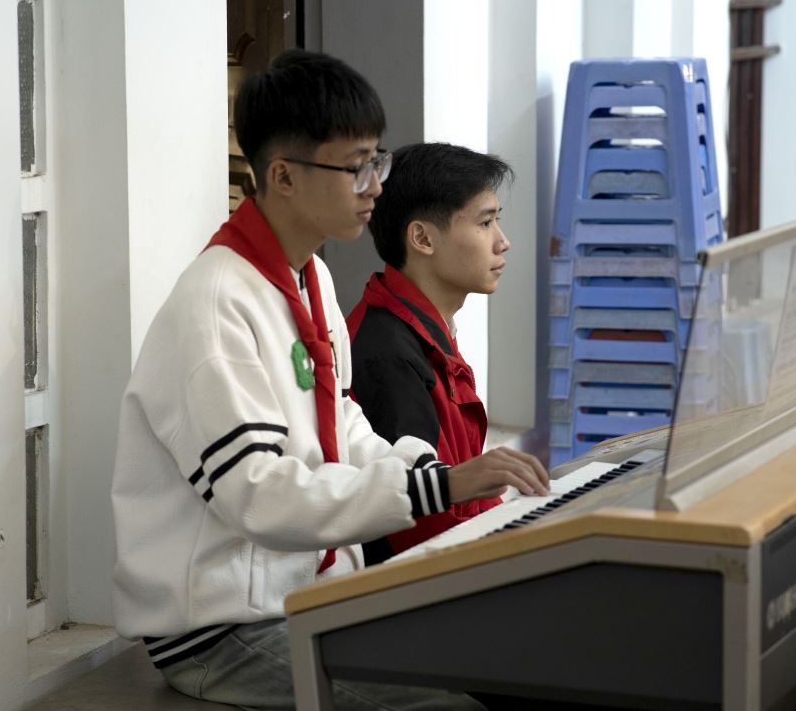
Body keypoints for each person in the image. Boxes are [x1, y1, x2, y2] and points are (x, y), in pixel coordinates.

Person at [110, 50, 549, 710]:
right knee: (452, 702)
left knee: (522, 661)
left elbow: (343, 425)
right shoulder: (216, 301)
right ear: (283, 176)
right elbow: (256, 496)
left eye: (378, 161)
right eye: (355, 167)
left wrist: (431, 474)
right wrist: (438, 487)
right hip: (224, 630)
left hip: (307, 597)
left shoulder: (308, 277)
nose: (375, 186)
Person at [346, 143, 514, 564]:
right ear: (422, 238)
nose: (502, 242)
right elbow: (425, 531)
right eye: (485, 223)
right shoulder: (387, 359)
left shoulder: (424, 330)